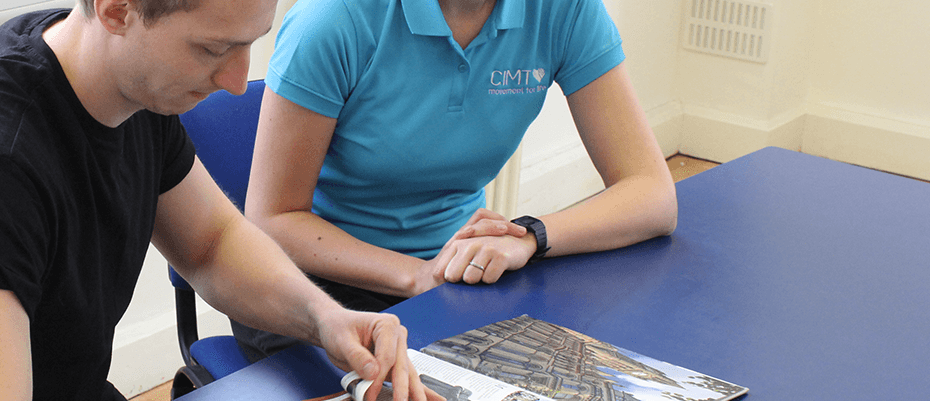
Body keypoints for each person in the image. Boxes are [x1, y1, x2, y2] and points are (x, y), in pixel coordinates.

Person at [0, 0, 446, 401]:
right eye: (212, 50)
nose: (239, 81)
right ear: (116, 9)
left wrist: (327, 319)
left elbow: (211, 246)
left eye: (251, 43)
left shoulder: (127, 85)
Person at [235, 0, 678, 358]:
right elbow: (272, 219)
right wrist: (416, 276)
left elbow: (652, 193)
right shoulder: (334, 18)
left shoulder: (565, 10)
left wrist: (527, 237)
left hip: (454, 278)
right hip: (314, 286)